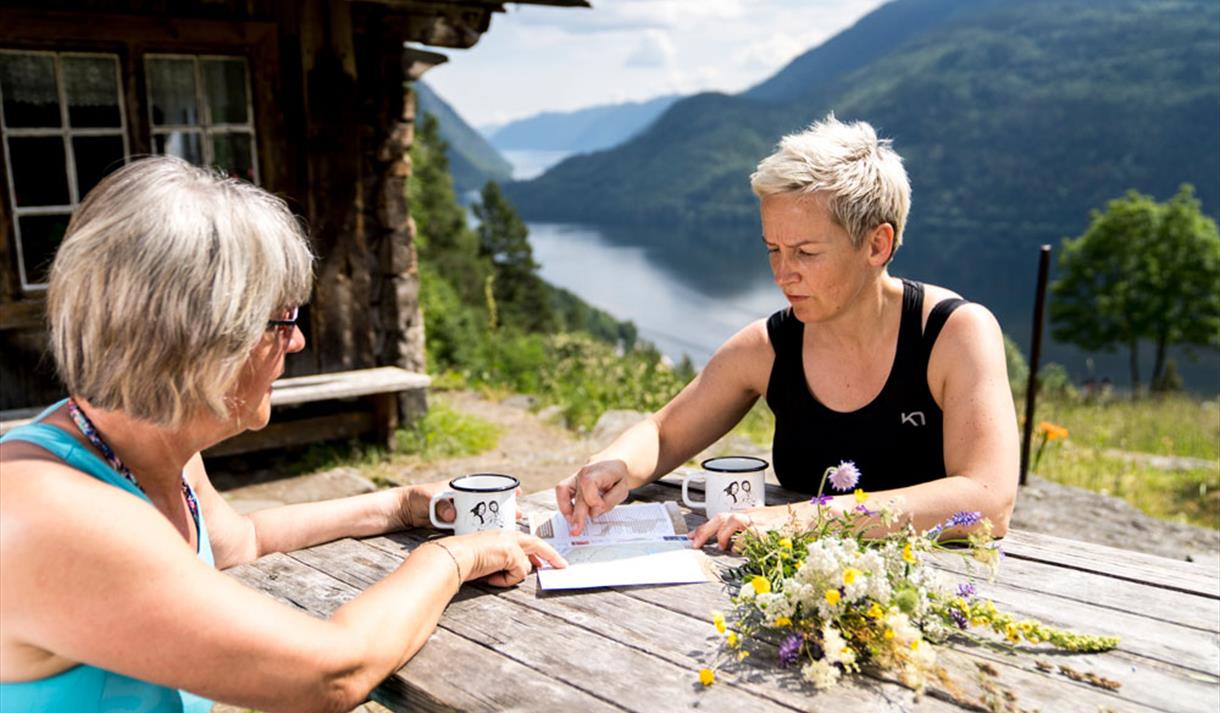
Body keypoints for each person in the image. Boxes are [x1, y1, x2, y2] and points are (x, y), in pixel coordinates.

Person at [0, 156, 565, 713]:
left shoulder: (135, 443)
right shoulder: (53, 512)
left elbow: (239, 542)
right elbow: (330, 674)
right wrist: (454, 558)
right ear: (206, 337)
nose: (296, 343)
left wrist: (403, 505)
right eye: (284, 317)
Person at [555, 115, 1019, 549]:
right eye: (773, 249)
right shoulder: (769, 347)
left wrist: (799, 519)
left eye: (806, 252)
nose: (782, 274)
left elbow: (988, 500)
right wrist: (615, 464)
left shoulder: (953, 333)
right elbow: (664, 432)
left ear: (877, 244)